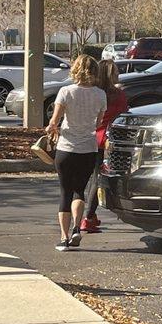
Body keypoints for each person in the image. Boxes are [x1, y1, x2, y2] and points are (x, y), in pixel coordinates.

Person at [46, 55, 107, 251]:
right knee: (80, 190)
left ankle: (63, 238)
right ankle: (76, 229)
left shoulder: (65, 91)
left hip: (66, 147)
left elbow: (54, 122)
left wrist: (52, 128)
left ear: (75, 69)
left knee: (65, 191)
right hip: (88, 148)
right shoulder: (100, 95)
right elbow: (98, 123)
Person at [80, 59, 128, 233]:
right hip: (106, 140)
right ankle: (88, 216)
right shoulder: (118, 94)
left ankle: (88, 216)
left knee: (89, 179)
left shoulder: (92, 93)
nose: (118, 74)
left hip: (88, 138)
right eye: (115, 71)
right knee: (98, 179)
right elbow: (123, 114)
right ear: (111, 75)